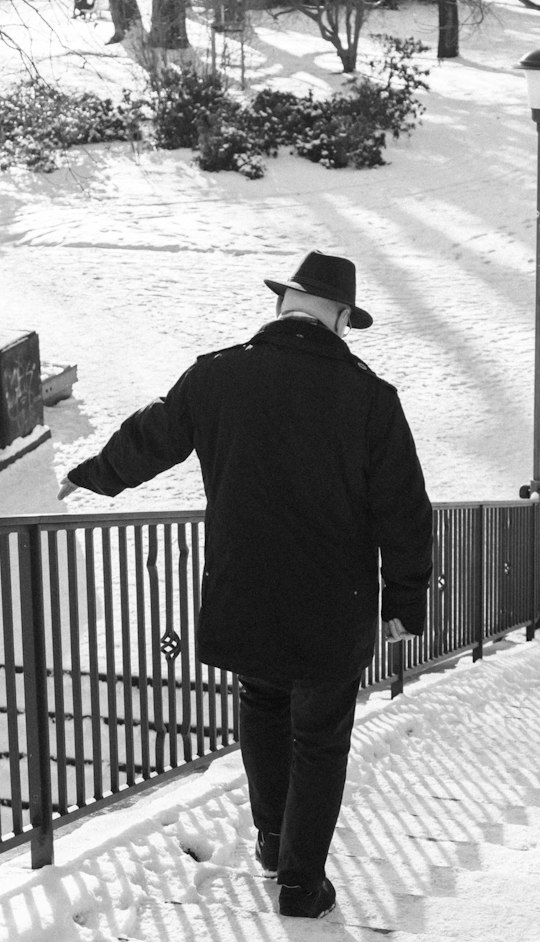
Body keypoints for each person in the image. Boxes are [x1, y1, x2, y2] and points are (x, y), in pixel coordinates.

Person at [58, 250, 432, 920]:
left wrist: (93, 475)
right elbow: (402, 506)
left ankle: (271, 838)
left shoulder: (218, 375)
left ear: (284, 304)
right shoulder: (371, 397)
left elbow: (153, 437)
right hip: (332, 600)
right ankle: (299, 880)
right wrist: (404, 599)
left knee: (262, 702)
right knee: (318, 733)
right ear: (340, 317)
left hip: (244, 588)